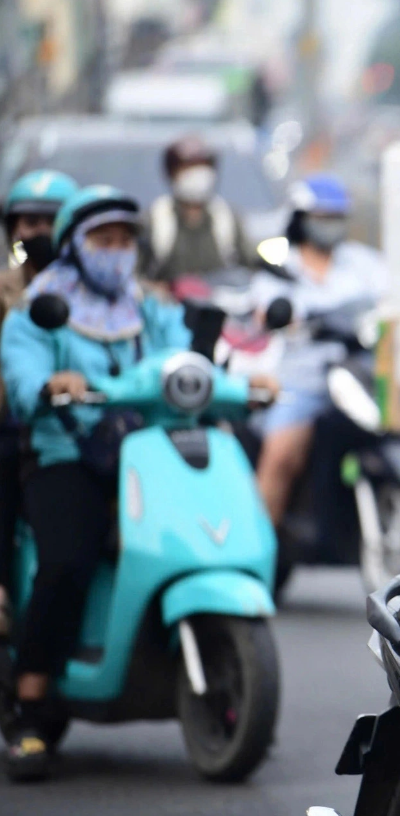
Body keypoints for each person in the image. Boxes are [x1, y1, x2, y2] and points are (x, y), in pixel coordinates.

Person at [0, 185, 195, 781]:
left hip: (145, 453)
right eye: (102, 240)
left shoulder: (149, 308)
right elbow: (21, 370)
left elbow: (181, 358)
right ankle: (30, 699)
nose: (116, 252)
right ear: (75, 247)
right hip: (65, 452)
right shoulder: (39, 307)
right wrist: (49, 384)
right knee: (68, 560)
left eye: (125, 240)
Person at [250, 174, 388, 530]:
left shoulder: (364, 263)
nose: (329, 225)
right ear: (300, 219)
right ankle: (258, 545)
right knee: (280, 455)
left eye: (336, 217)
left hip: (359, 372)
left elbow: (392, 302)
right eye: (321, 217)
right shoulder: (281, 268)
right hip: (303, 378)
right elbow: (264, 309)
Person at [0, 170, 79, 650]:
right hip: (15, 426)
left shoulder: (99, 292)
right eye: (26, 223)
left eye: (47, 223)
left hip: (80, 426)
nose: (35, 234)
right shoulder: (7, 295)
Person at [143, 135, 255, 284]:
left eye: (203, 166)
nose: (198, 173)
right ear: (172, 172)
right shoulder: (155, 219)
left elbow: (253, 266)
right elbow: (136, 277)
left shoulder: (226, 217)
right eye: (189, 166)